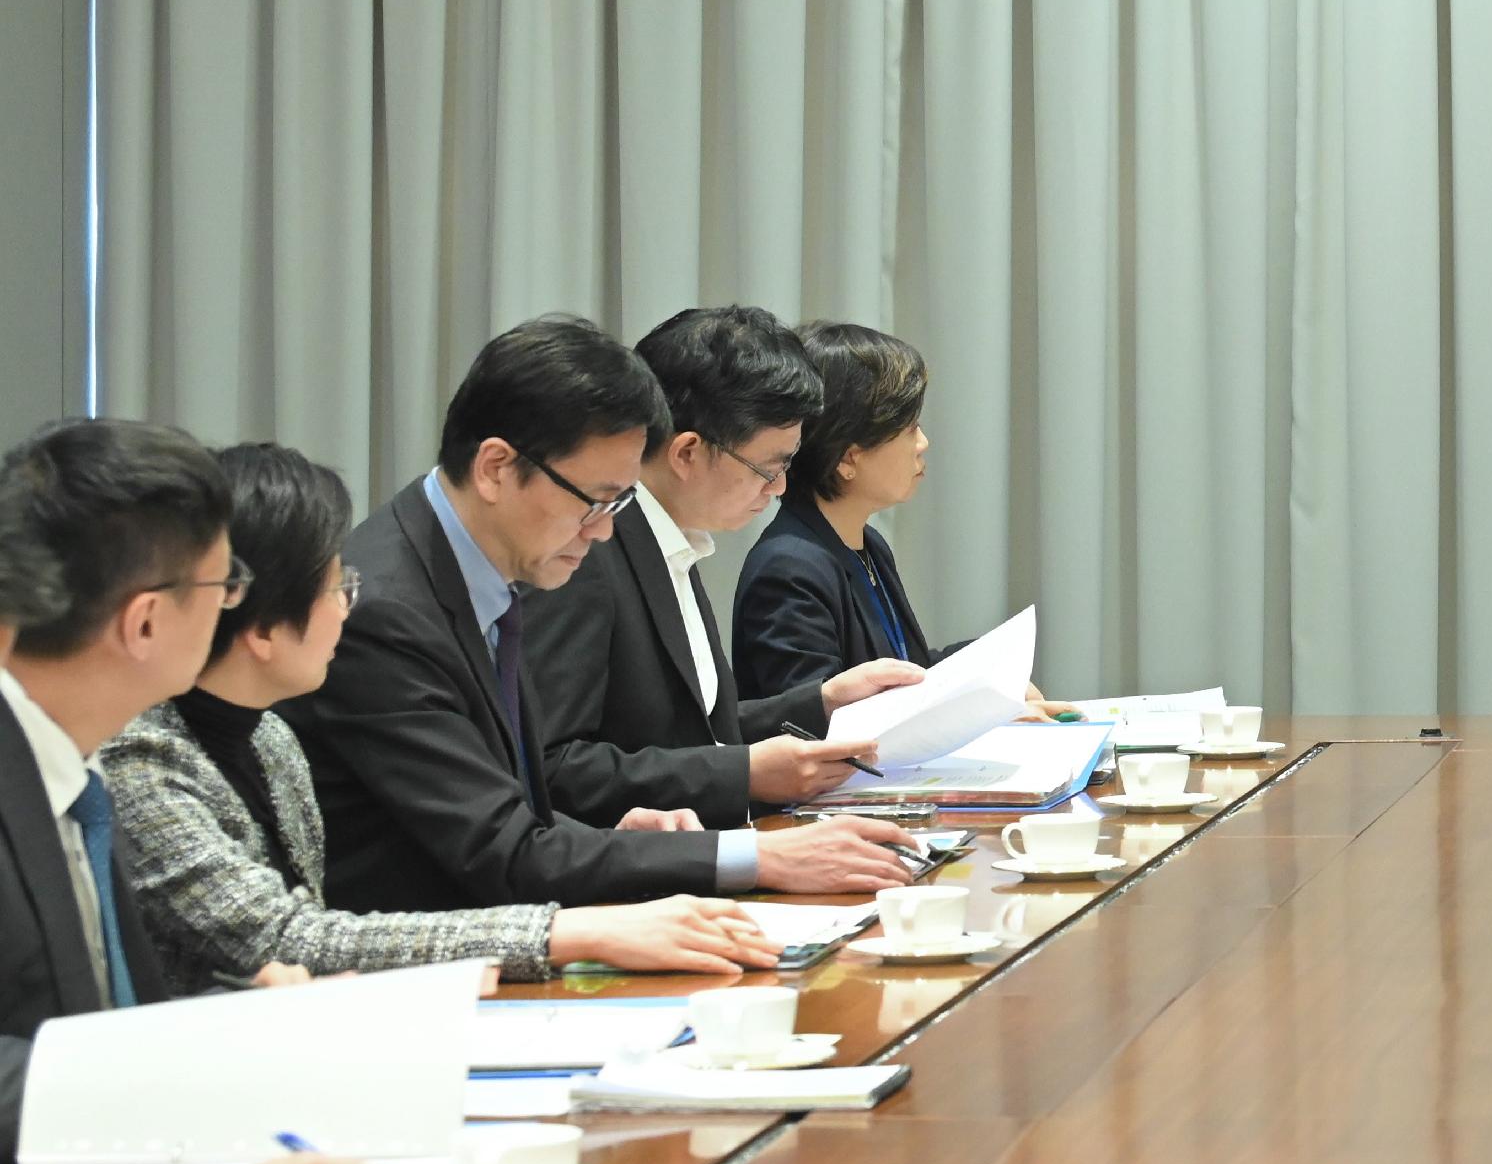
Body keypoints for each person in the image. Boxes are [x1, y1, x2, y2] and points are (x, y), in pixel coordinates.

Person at [286, 318, 920, 912]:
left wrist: (627, 832)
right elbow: (498, 845)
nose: (602, 531)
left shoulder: (481, 565)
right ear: (496, 468)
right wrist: (750, 855)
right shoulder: (387, 610)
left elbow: (521, 805)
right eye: (596, 501)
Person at [103, 442, 782, 997]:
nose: (349, 606)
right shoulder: (140, 758)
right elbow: (291, 939)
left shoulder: (267, 735)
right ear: (256, 619)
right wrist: (575, 933)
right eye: (335, 586)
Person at [0, 419, 405, 1164]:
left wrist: (230, 1041)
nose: (239, 606)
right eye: (226, 585)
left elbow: (81, 1036)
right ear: (146, 621)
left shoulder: (67, 765)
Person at [526, 306, 927, 828]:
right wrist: (741, 773)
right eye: (769, 467)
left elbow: (688, 731)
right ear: (688, 453)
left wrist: (822, 702)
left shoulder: (670, 539)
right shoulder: (587, 554)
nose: (781, 487)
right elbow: (552, 767)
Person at [735, 323, 954, 697]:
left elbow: (906, 668)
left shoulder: (869, 544)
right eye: (908, 428)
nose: (923, 443)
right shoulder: (789, 570)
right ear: (848, 458)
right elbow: (816, 718)